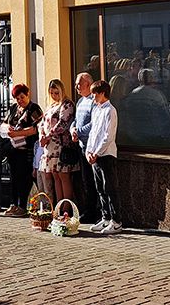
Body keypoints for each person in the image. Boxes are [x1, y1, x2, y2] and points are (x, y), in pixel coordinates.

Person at [0, 84, 43, 217]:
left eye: (22, 97)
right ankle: (13, 204)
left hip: (27, 149)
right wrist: (8, 129)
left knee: (24, 178)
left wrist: (18, 133)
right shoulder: (14, 108)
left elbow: (36, 128)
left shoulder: (33, 108)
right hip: (14, 149)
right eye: (17, 98)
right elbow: (5, 122)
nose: (20, 100)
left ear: (27, 94)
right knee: (14, 177)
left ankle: (22, 206)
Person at [85, 80, 122, 235]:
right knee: (100, 188)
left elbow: (108, 136)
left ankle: (116, 221)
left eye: (95, 93)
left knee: (110, 188)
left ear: (102, 93)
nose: (93, 97)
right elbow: (93, 133)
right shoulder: (97, 110)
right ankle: (105, 217)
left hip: (106, 154)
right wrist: (88, 151)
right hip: (95, 155)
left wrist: (97, 152)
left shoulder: (110, 110)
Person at [38, 79, 79, 205]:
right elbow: (42, 123)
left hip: (61, 146)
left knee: (64, 176)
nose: (54, 96)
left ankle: (66, 207)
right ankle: (59, 206)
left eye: (56, 93)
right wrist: (41, 135)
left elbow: (63, 123)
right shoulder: (51, 106)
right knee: (55, 175)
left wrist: (48, 136)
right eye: (51, 93)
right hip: (49, 147)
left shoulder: (67, 104)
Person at [70, 72, 101, 224]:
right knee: (86, 180)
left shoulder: (94, 101)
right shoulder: (80, 101)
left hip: (92, 147)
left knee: (95, 182)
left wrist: (79, 132)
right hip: (81, 146)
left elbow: (94, 123)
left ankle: (96, 212)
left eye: (79, 84)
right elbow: (75, 120)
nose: (76, 86)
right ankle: (88, 210)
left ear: (88, 84)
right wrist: (73, 130)